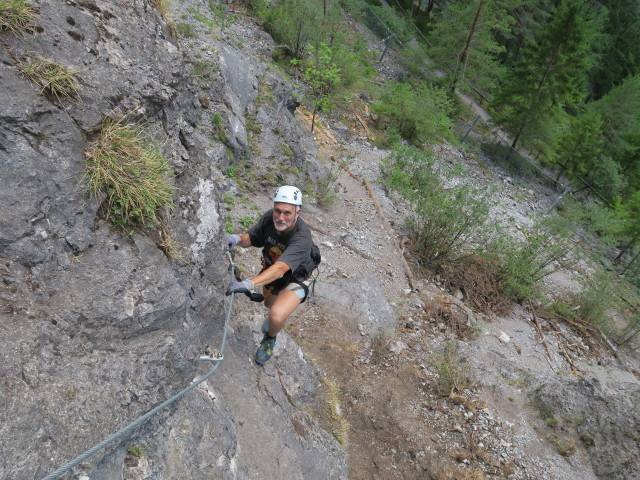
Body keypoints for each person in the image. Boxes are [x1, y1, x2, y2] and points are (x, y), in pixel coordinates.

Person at [224, 185, 316, 364]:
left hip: (297, 277)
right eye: (278, 211)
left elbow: (281, 269)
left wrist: (249, 284)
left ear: (297, 213)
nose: (281, 217)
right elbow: (253, 238)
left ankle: (270, 338)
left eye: (287, 213)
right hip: (272, 269)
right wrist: (236, 239)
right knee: (268, 304)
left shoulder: (302, 238)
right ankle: (275, 319)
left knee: (276, 315)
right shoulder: (270, 218)